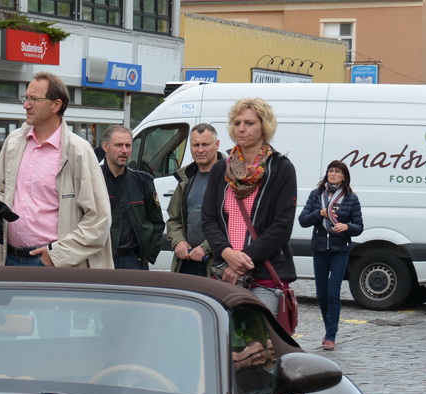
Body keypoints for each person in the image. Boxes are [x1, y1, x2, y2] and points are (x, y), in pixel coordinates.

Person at [0, 73, 111, 268]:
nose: (26, 105)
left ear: (56, 105)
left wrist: (56, 255)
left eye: (34, 99)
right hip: (9, 258)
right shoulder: (13, 142)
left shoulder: (78, 151)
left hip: (52, 263)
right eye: (26, 98)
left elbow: (99, 218)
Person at [201, 97, 298, 312]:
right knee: (223, 341)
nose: (241, 129)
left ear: (265, 126)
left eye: (249, 123)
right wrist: (226, 253)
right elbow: (209, 219)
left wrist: (243, 261)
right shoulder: (220, 169)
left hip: (264, 274)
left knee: (259, 343)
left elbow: (282, 226)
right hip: (224, 271)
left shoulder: (281, 169)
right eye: (237, 123)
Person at [298, 159, 363, 349]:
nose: (333, 174)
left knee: (333, 293)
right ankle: (329, 328)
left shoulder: (351, 198)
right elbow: (303, 220)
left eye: (337, 171)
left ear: (344, 176)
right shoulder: (317, 195)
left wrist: (347, 226)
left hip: (339, 250)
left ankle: (330, 335)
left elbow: (359, 226)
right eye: (330, 171)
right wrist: (321, 213)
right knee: (321, 294)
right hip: (319, 249)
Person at [98, 125, 164, 270]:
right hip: (100, 260)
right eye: (118, 145)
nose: (124, 150)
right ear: (105, 146)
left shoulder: (142, 182)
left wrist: (147, 255)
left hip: (133, 261)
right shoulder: (92, 181)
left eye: (128, 145)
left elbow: (157, 223)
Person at [167, 123, 222, 276]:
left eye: (205, 144)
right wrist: (179, 242)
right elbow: (174, 220)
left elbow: (232, 224)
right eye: (195, 145)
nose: (200, 150)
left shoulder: (229, 179)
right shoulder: (186, 179)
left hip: (216, 264)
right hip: (186, 263)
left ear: (217, 144)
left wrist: (205, 248)